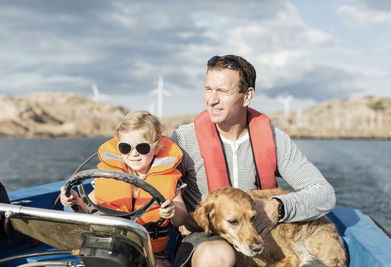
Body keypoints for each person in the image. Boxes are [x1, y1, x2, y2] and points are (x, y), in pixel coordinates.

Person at [171, 55, 336, 267]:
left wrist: (278, 207)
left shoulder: (275, 140)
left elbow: (324, 193)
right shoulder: (183, 139)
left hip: (262, 235)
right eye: (208, 89)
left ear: (247, 96)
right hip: (207, 238)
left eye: (222, 91)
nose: (211, 100)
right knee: (217, 255)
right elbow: (154, 185)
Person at [60, 111, 189, 267]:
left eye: (142, 147)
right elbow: (87, 211)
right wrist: (73, 200)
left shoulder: (169, 177)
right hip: (111, 250)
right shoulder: (109, 175)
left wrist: (173, 210)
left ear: (156, 148)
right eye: (125, 147)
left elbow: (181, 217)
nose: (133, 153)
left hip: (152, 255)